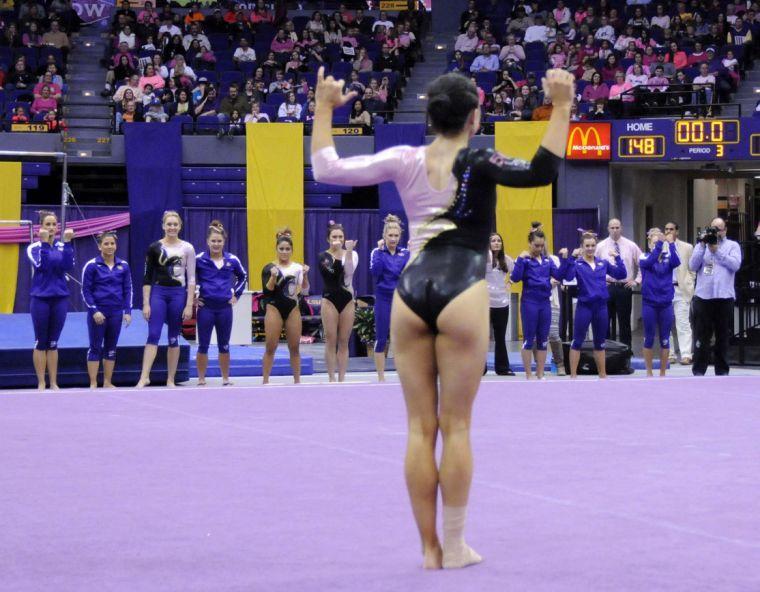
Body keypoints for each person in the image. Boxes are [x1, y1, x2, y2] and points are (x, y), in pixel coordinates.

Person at [311, 67, 572, 569]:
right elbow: (541, 171)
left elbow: (327, 169)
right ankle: (453, 546)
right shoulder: (479, 156)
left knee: (418, 428)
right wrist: (560, 106)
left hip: (411, 291)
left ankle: (429, 549)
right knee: (456, 426)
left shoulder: (404, 158)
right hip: (462, 288)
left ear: (429, 117)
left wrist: (324, 109)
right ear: (476, 117)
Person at [137, 211, 196, 388]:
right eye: (168, 224)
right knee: (153, 334)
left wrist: (189, 304)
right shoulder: (154, 248)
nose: (172, 227)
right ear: (163, 226)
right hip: (159, 293)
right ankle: (144, 377)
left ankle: (171, 378)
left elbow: (191, 278)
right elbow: (147, 277)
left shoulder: (187, 248)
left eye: (175, 224)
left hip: (178, 294)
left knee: (173, 337)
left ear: (180, 226)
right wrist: (146, 303)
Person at [561, 232, 626, 379]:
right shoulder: (577, 264)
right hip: (584, 307)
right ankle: (573, 375)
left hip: (601, 307)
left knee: (600, 342)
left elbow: (621, 274)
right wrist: (571, 258)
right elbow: (568, 277)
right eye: (587, 246)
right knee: (577, 340)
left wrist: (617, 258)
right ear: (582, 247)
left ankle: (602, 374)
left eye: (593, 245)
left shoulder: (603, 263)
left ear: (596, 246)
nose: (590, 248)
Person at [195, 221, 247, 387]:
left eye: (219, 241)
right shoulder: (199, 259)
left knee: (224, 345)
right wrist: (192, 299)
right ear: (207, 241)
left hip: (224, 309)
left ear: (224, 242)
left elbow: (243, 276)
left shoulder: (232, 259)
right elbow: (187, 278)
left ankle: (225, 378)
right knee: (203, 344)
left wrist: (236, 295)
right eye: (213, 241)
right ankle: (201, 379)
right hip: (206, 309)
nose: (216, 244)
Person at [27, 210, 75, 390]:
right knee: (41, 341)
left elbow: (68, 266)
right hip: (40, 298)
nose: (52, 228)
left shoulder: (63, 246)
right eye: (48, 224)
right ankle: (41, 382)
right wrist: (46, 244)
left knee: (54, 342)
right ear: (41, 227)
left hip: (60, 298)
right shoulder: (34, 247)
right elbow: (42, 265)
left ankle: (53, 382)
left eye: (54, 225)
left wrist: (68, 243)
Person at [688, 217, 742, 376]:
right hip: (704, 296)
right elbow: (692, 265)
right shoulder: (701, 245)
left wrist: (716, 251)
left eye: (719, 229)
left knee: (722, 336)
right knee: (701, 336)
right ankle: (698, 370)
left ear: (725, 230)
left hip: (724, 297)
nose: (715, 232)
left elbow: (735, 265)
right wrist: (703, 244)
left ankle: (722, 370)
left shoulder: (733, 246)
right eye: (712, 229)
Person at [81, 231, 132, 389]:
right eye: (106, 244)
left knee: (111, 348)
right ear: (99, 246)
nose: (110, 246)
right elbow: (86, 291)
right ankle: (93, 382)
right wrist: (94, 311)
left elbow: (128, 289)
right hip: (98, 313)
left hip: (116, 313)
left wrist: (128, 312)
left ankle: (108, 381)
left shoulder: (123, 266)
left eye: (112, 244)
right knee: (95, 347)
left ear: (116, 245)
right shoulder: (91, 266)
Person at [510, 229, 563, 380]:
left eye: (541, 245)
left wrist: (566, 260)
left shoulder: (548, 261)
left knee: (543, 339)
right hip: (529, 303)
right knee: (528, 338)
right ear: (529, 244)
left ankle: (540, 373)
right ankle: (528, 374)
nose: (539, 248)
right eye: (536, 245)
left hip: (544, 303)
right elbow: (516, 277)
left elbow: (559, 275)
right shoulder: (525, 260)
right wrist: (519, 259)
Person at [262, 232, 308, 385]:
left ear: (292, 250)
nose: (284, 252)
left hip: (292, 308)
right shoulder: (269, 268)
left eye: (287, 249)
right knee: (271, 346)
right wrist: (273, 277)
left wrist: (305, 276)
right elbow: (267, 291)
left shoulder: (297, 268)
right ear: (276, 249)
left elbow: (304, 289)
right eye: (281, 249)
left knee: (294, 347)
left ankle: (297, 381)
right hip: (274, 307)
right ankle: (265, 380)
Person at [370, 214, 410, 382]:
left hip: (401, 300)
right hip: (384, 300)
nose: (393, 238)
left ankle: (405, 376)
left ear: (400, 236)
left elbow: (409, 275)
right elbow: (376, 273)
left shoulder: (405, 252)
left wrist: (413, 253)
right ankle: (381, 377)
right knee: (381, 338)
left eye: (396, 235)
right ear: (384, 235)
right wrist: (380, 252)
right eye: (390, 235)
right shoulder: (376, 252)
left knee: (404, 339)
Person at [317, 221, 357, 383]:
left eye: (340, 237)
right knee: (331, 339)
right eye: (334, 237)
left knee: (344, 341)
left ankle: (342, 378)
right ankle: (331, 378)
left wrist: (347, 252)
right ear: (328, 239)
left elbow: (349, 271)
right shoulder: (323, 256)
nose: (338, 240)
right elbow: (332, 274)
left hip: (347, 299)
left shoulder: (352, 254)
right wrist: (339, 253)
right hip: (329, 300)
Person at [639, 228, 680, 377]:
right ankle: (649, 372)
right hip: (649, 303)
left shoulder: (667, 257)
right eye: (654, 242)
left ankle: (663, 372)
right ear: (649, 242)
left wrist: (671, 244)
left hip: (665, 303)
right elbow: (650, 262)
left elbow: (677, 262)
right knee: (649, 338)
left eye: (659, 243)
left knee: (665, 338)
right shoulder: (644, 257)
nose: (657, 245)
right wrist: (659, 245)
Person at [595, 218, 641, 348]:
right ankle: (606, 351)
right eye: (612, 228)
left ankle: (626, 352)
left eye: (617, 227)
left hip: (624, 287)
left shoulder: (630, 245)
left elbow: (642, 264)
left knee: (624, 322)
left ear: (621, 228)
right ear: (608, 229)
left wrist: (636, 281)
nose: (615, 230)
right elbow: (594, 265)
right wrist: (600, 281)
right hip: (607, 287)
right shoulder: (600, 246)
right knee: (605, 321)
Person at [664, 221, 695, 364]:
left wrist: (690, 282)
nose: (669, 232)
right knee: (666, 323)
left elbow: (692, 267)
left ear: (677, 231)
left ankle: (686, 354)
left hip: (681, 289)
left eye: (671, 229)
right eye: (666, 229)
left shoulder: (687, 247)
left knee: (683, 323)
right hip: (665, 289)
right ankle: (669, 354)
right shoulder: (661, 246)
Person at [485, 232, 515, 376]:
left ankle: (502, 368)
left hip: (502, 304)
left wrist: (511, 281)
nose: (496, 243)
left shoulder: (507, 260)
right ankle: (480, 368)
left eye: (499, 241)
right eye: (493, 241)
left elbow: (518, 271)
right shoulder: (484, 259)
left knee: (500, 337)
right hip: (485, 303)